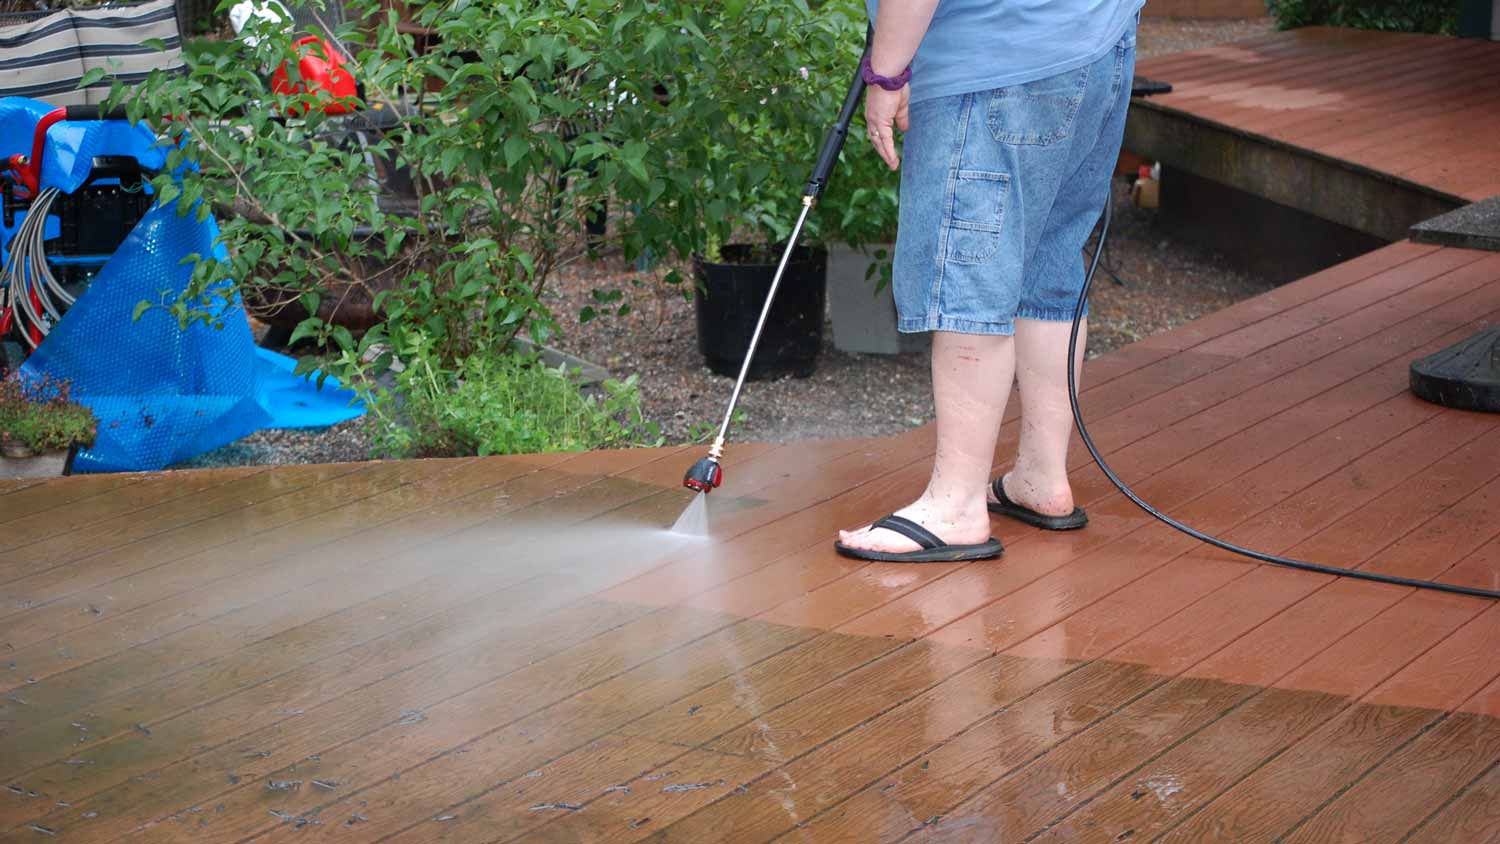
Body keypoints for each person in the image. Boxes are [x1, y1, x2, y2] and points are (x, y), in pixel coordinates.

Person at [835, 0, 1143, 562]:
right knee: (1047, 265)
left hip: (997, 61)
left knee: (966, 269)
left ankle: (955, 505)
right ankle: (1040, 477)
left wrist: (887, 72)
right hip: (1097, 46)